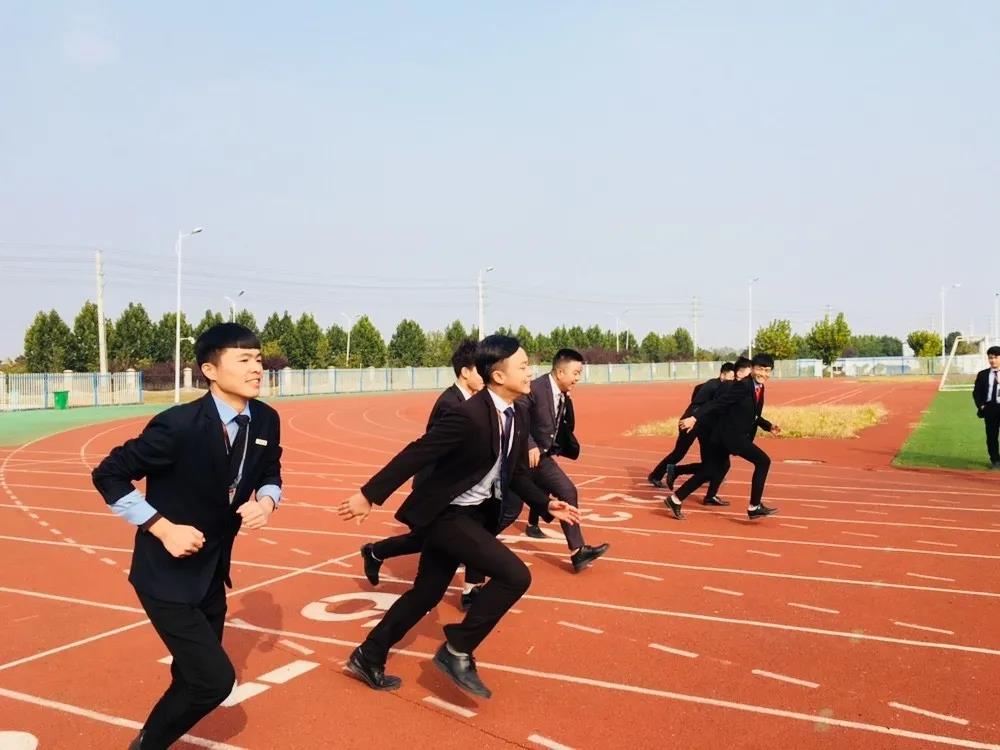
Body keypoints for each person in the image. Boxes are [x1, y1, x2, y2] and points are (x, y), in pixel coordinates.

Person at [337, 335, 579, 699]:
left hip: (475, 515)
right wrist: (369, 495)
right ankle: (458, 649)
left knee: (426, 594)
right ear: (498, 376)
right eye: (524, 366)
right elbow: (418, 452)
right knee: (515, 576)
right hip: (446, 515)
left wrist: (546, 504)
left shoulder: (518, 413)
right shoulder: (468, 415)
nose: (531, 372)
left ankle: (368, 655)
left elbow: (514, 473)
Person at [92, 323, 282, 750]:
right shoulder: (178, 425)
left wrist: (267, 501)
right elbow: (108, 474)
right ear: (210, 370)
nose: (257, 368)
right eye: (244, 360)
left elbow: (271, 470)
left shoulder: (266, 419)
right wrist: (162, 527)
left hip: (212, 574)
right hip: (166, 577)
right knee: (214, 681)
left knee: (190, 675)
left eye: (258, 359)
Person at [360, 339, 488, 608]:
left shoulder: (470, 401)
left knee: (468, 533)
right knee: (434, 540)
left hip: (457, 487)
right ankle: (376, 553)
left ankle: (471, 588)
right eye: (481, 369)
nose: (485, 375)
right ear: (465, 372)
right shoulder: (450, 404)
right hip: (438, 487)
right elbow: (430, 451)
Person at [522, 348, 609, 572]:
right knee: (506, 512)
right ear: (560, 372)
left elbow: (566, 424)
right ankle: (466, 548)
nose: (578, 378)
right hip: (521, 458)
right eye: (576, 373)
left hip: (543, 457)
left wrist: (567, 401)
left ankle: (577, 552)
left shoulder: (561, 392)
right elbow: (517, 417)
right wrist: (529, 444)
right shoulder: (535, 388)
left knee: (567, 491)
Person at [671, 353, 781, 520]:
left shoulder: (759, 387)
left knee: (710, 470)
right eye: (760, 369)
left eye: (767, 370)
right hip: (731, 437)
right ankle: (754, 506)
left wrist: (768, 426)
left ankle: (675, 499)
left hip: (730, 436)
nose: (763, 374)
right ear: (752, 369)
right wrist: (694, 418)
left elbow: (753, 414)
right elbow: (717, 403)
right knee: (763, 461)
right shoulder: (743, 386)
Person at [665, 358, 752, 508]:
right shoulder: (728, 387)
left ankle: (706, 494)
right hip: (709, 430)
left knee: (719, 466)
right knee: (712, 467)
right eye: (749, 374)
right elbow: (712, 406)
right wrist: (694, 419)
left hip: (716, 430)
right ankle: (678, 491)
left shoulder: (735, 387)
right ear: (738, 373)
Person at [648, 362, 736, 490]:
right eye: (731, 377)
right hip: (690, 422)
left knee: (707, 454)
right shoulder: (713, 385)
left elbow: (698, 389)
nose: (733, 380)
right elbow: (699, 404)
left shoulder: (715, 386)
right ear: (723, 375)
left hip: (703, 425)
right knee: (679, 453)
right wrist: (693, 418)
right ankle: (656, 475)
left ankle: (707, 475)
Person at [972, 345, 1000, 469]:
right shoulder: (983, 374)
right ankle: (995, 460)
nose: (992, 360)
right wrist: (982, 406)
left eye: (995, 357)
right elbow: (976, 392)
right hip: (990, 408)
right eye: (990, 358)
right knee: (991, 436)